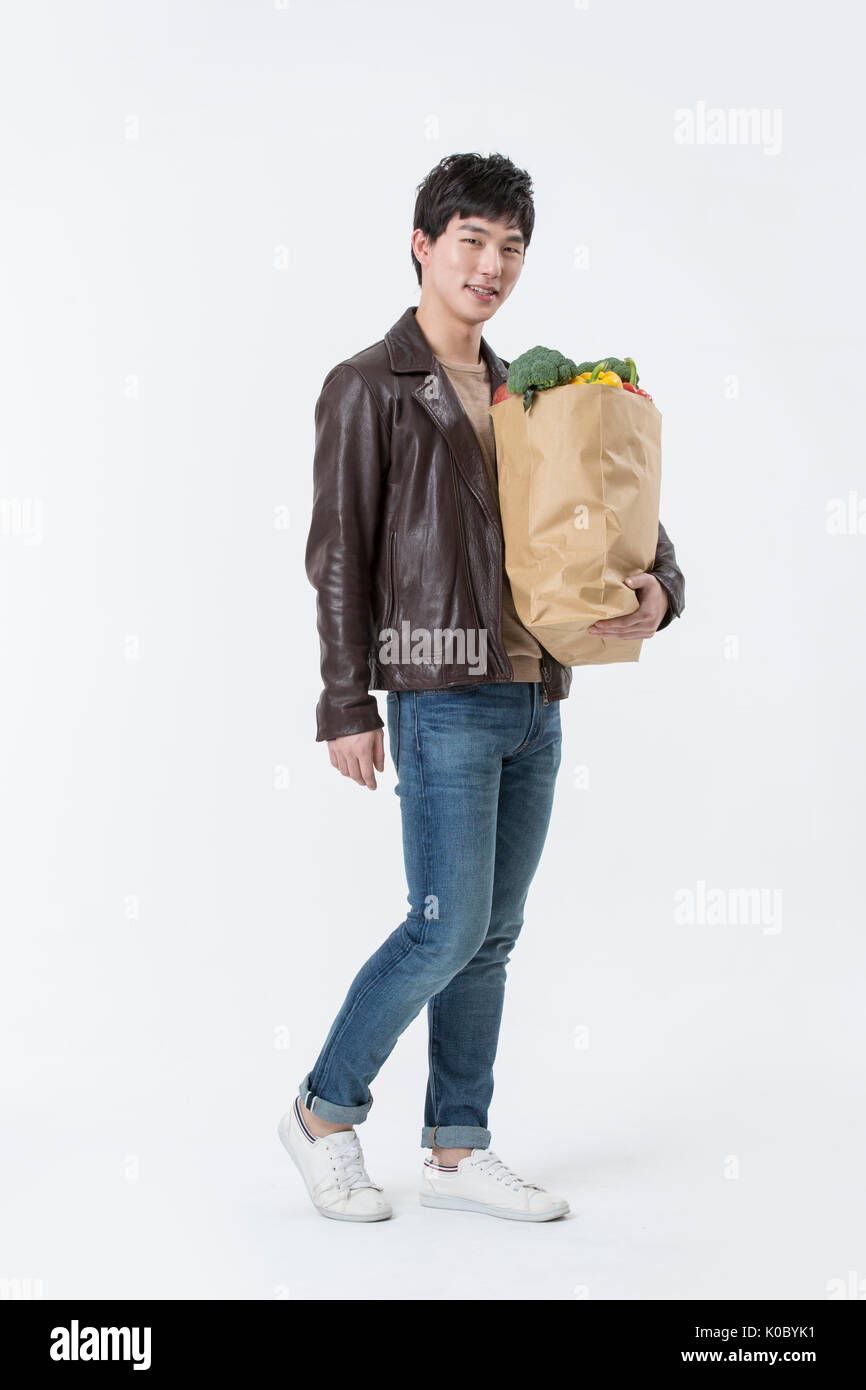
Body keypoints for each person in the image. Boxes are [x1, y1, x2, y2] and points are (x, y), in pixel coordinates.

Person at [278, 152, 685, 1222]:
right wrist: (343, 702)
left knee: (492, 933)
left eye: (509, 246)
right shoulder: (368, 384)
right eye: (471, 239)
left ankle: (457, 1145)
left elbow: (620, 519)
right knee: (443, 924)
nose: (490, 264)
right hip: (439, 689)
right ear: (422, 243)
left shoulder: (532, 392)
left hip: (535, 693)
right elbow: (336, 554)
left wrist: (659, 588)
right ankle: (323, 1111)